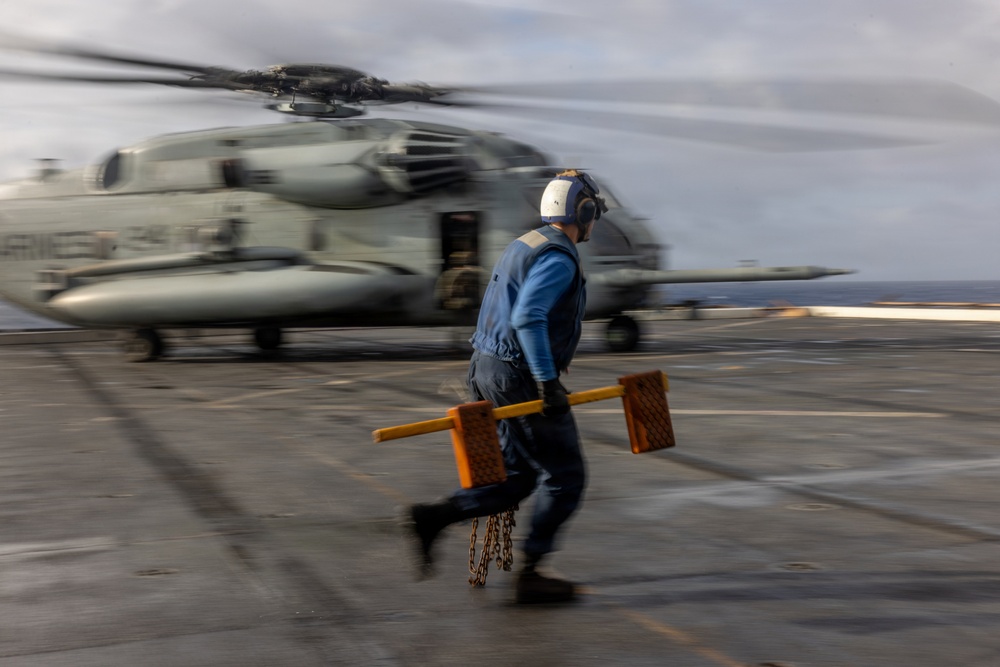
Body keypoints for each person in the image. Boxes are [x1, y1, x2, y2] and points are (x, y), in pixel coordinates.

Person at [407, 169, 607, 604]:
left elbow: (507, 311)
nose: (595, 223)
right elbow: (527, 317)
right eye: (594, 213)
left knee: (516, 478)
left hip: (487, 368)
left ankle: (437, 515)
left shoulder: (525, 244)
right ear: (584, 211)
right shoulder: (558, 256)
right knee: (566, 476)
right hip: (518, 377)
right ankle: (533, 572)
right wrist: (547, 380)